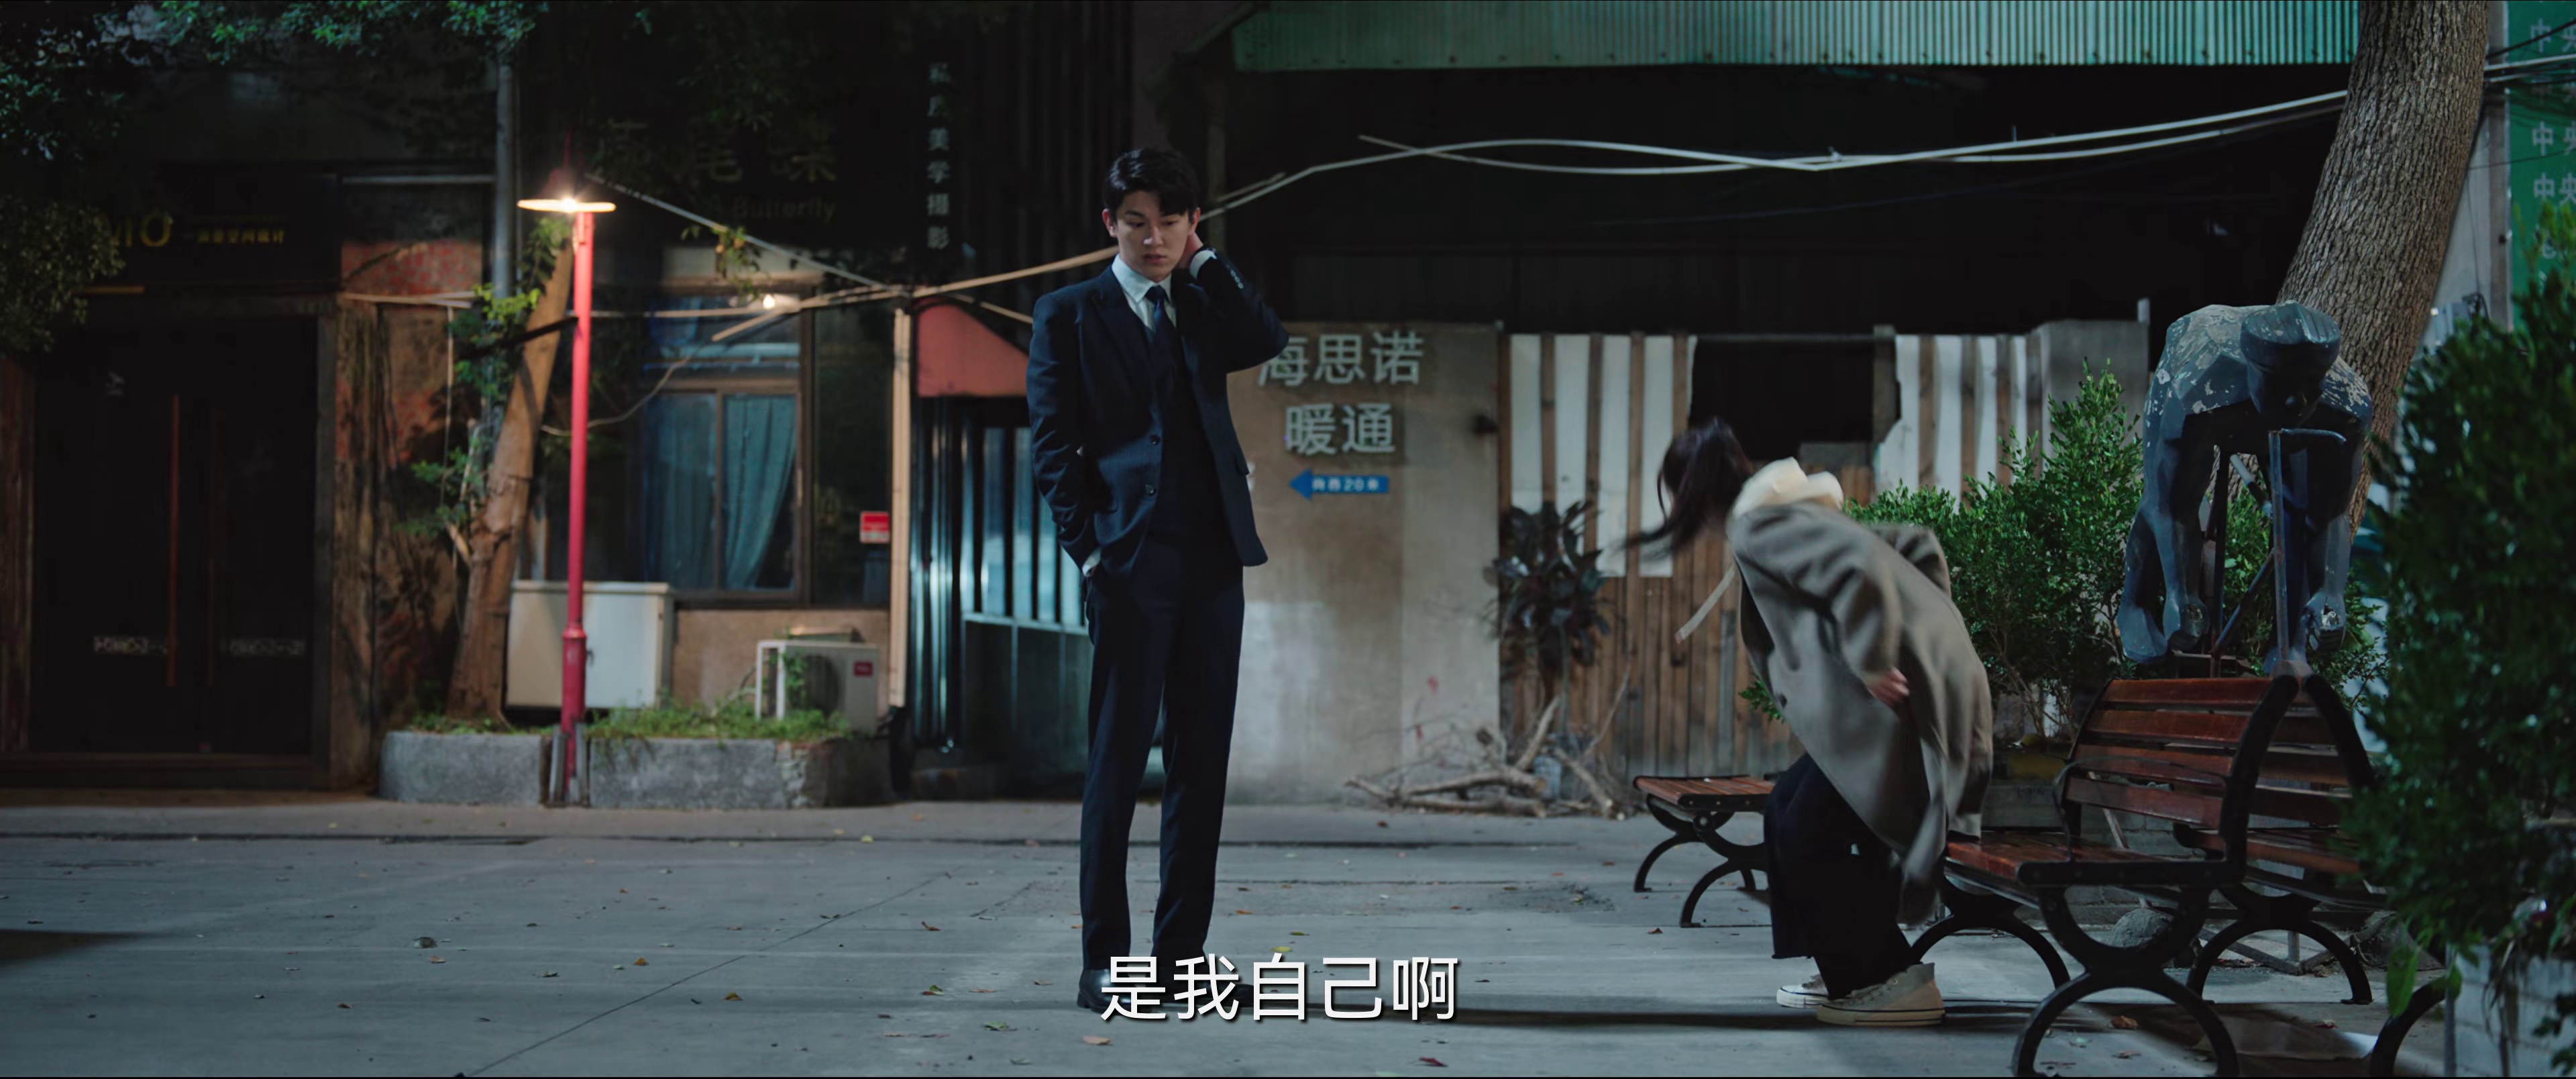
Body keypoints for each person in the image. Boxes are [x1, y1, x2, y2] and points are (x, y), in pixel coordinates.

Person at [1024, 147, 1286, 1013]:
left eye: (1171, 222)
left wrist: (1207, 262)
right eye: (1137, 222)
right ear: (1110, 224)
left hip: (1214, 563)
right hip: (1129, 568)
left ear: (1191, 223)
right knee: (1116, 767)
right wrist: (1090, 555)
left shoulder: (1202, 303)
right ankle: (1104, 959)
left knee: (1200, 770)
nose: (1154, 238)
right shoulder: (1068, 313)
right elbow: (1052, 450)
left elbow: (1267, 338)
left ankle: (1182, 959)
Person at [1632, 419, 1992, 1027]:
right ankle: (1844, 963)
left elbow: (1859, 564)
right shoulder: (1788, 509)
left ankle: (1889, 980)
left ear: (1691, 493)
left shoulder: (1758, 524)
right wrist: (1929, 633)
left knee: (1807, 827)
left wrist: (1877, 658)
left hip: (1909, 701)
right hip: (1925, 687)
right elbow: (1915, 542)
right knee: (1787, 809)